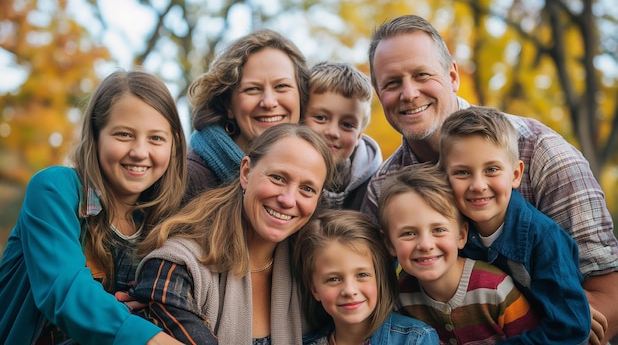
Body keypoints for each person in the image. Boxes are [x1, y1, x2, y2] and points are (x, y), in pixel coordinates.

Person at [361, 14, 618, 344]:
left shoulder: (539, 152)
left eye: (422, 75)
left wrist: (565, 322)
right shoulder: (385, 187)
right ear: (378, 93)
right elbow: (373, 292)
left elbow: (606, 285)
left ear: (453, 75)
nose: (409, 93)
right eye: (392, 83)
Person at [0, 70, 186, 345]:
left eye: (156, 138)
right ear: (96, 137)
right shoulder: (56, 190)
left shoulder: (166, 219)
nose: (140, 152)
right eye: (124, 135)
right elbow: (65, 290)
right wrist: (149, 338)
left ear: (174, 144)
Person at [131, 123, 336, 344]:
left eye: (307, 189)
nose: (288, 200)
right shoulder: (177, 267)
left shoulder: (313, 271)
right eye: (278, 178)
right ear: (246, 172)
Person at [439, 106, 591, 343]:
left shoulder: (544, 239)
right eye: (462, 173)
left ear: (515, 174)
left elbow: (570, 328)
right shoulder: (452, 235)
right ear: (445, 178)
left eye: (491, 170)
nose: (478, 185)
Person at [379, 163, 540, 343]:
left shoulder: (496, 289)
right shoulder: (400, 298)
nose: (425, 244)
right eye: (408, 233)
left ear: (461, 235)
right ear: (389, 243)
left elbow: (534, 340)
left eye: (438, 230)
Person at [185, 28, 309, 202]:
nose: (269, 102)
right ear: (228, 104)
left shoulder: (315, 173)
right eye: (252, 89)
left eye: (281, 86)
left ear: (301, 96)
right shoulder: (191, 179)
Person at [293, 209, 438, 345]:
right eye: (333, 279)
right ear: (315, 289)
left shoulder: (414, 339)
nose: (349, 290)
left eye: (362, 275)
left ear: (379, 277)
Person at [304, 61, 382, 210]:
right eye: (320, 118)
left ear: (359, 136)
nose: (333, 132)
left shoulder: (375, 188)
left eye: (347, 125)